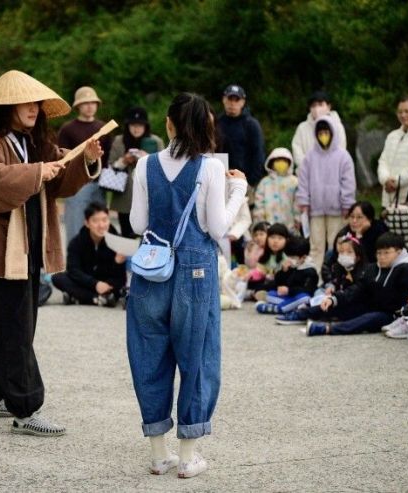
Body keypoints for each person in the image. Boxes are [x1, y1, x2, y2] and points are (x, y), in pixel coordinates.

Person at [0, 70, 103, 437]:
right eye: (26, 103)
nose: (34, 108)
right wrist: (37, 171)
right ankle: (26, 408)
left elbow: (60, 175)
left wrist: (85, 159)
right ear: (7, 107)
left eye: (36, 103)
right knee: (15, 329)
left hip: (28, 251)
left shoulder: (33, 142)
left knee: (14, 327)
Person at [127, 92, 247, 478]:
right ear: (206, 126)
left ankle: (159, 453)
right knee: (198, 357)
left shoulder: (145, 165)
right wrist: (239, 192)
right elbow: (217, 227)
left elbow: (136, 224)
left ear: (168, 123)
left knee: (149, 355)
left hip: (151, 270)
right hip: (195, 270)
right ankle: (189, 454)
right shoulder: (210, 168)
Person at [306, 233, 408, 336]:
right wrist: (334, 299)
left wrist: (406, 319)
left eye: (386, 253)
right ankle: (298, 314)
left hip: (392, 316)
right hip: (371, 308)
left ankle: (327, 329)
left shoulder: (406, 270)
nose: (382, 257)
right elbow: (357, 289)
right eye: (379, 253)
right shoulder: (373, 268)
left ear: (399, 252)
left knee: (369, 318)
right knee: (338, 304)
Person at [296, 115, 356, 266]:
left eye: (326, 133)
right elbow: (303, 181)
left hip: (337, 210)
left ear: (333, 133)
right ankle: (315, 277)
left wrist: (347, 204)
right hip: (315, 210)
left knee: (336, 244)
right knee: (316, 246)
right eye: (320, 133)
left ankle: (335, 277)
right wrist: (304, 202)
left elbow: (348, 182)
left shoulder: (343, 156)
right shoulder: (309, 157)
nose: (323, 136)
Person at [57, 86, 111, 244]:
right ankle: (74, 265)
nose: (89, 106)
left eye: (92, 102)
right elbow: (62, 158)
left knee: (99, 228)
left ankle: (98, 264)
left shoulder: (104, 128)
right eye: (85, 103)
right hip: (77, 185)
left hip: (99, 184)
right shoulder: (67, 129)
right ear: (78, 106)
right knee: (74, 227)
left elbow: (108, 158)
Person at [376, 96, 408, 261]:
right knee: (389, 243)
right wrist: (385, 180)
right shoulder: (392, 135)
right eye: (400, 111)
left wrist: (397, 181)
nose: (403, 115)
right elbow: (382, 161)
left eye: (407, 111)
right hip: (390, 197)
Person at [276, 233, 368, 325]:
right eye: (341, 252)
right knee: (321, 296)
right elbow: (336, 284)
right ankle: (305, 310)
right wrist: (333, 287)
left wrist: (334, 298)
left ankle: (301, 314)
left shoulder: (363, 274)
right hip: (339, 299)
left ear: (358, 256)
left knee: (326, 305)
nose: (344, 255)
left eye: (349, 252)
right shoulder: (341, 270)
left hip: (355, 307)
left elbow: (351, 293)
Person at [51, 202, 126, 306]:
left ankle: (77, 297)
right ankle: (97, 299)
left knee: (117, 285)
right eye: (95, 221)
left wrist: (117, 263)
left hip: (107, 284)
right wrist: (95, 284)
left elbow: (120, 278)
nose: (101, 225)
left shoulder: (118, 242)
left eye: (105, 220)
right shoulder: (76, 242)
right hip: (87, 283)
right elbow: (73, 270)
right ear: (87, 223)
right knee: (58, 278)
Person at [108, 107, 165, 238]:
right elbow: (110, 166)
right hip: (124, 196)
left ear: (146, 126)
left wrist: (148, 158)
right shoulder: (118, 141)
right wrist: (124, 160)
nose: (136, 128)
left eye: (140, 125)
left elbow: (164, 169)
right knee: (127, 235)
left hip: (150, 196)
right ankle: (127, 258)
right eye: (133, 125)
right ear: (127, 125)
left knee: (149, 237)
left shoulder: (156, 142)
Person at [215, 84, 266, 188]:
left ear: (243, 102)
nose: (232, 103)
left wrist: (251, 182)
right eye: (230, 99)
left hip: (245, 181)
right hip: (219, 181)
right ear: (224, 100)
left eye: (236, 100)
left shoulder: (251, 124)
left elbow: (258, 154)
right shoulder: (217, 123)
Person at [255, 236, 318, 314]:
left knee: (304, 298)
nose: (290, 259)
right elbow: (279, 282)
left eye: (293, 257)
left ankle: (277, 308)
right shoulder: (292, 266)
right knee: (270, 294)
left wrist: (289, 290)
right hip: (290, 298)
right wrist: (284, 271)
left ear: (303, 257)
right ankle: (291, 308)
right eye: (289, 256)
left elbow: (307, 290)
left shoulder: (310, 270)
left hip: (301, 297)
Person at [291, 91, 348, 170]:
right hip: (307, 173)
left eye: (320, 105)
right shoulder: (302, 128)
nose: (316, 109)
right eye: (313, 106)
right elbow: (297, 150)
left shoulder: (337, 126)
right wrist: (309, 167)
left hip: (332, 172)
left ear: (328, 107)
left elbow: (341, 149)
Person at [253, 147, 299, 232]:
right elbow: (259, 203)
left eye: (284, 161)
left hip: (290, 226)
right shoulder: (264, 182)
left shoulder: (294, 181)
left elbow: (298, 203)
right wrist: (261, 222)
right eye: (277, 161)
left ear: (289, 163)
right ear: (271, 163)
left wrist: (298, 220)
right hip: (269, 226)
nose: (281, 163)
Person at [249, 222, 290, 297]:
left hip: (282, 284)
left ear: (286, 240)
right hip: (267, 282)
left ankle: (259, 294)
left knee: (272, 285)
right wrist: (249, 275)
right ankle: (258, 294)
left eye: (280, 238)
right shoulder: (266, 255)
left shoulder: (287, 256)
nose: (275, 241)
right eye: (272, 237)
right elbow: (260, 272)